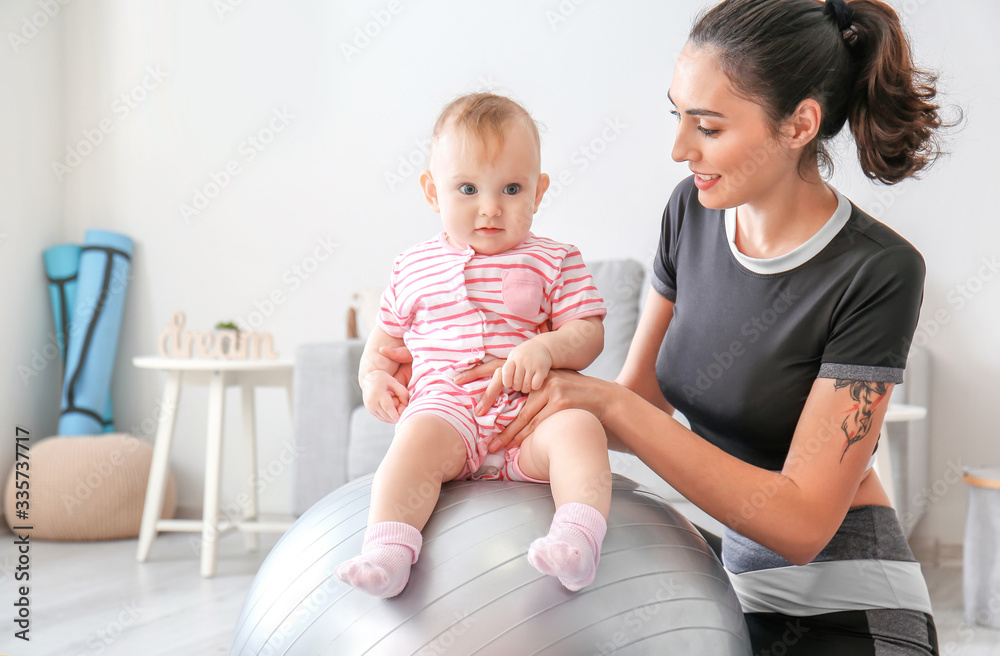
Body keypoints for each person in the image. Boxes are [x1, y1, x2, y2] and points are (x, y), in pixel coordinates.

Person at [421, 0, 948, 652]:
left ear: (800, 124)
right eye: (677, 115)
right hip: (728, 593)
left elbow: (801, 521)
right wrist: (495, 406)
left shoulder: (878, 272)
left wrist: (602, 398)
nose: (679, 148)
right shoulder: (691, 214)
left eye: (709, 126)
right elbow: (641, 401)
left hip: (846, 614)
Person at [335, 93, 612, 599]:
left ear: (539, 191)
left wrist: (546, 348)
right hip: (447, 414)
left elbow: (587, 331)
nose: (490, 209)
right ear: (432, 192)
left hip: (528, 416)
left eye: (511, 188)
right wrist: (372, 377)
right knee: (409, 448)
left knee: (581, 430)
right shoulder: (411, 266)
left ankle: (577, 538)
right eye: (467, 189)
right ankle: (388, 552)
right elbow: (384, 343)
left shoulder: (555, 259)